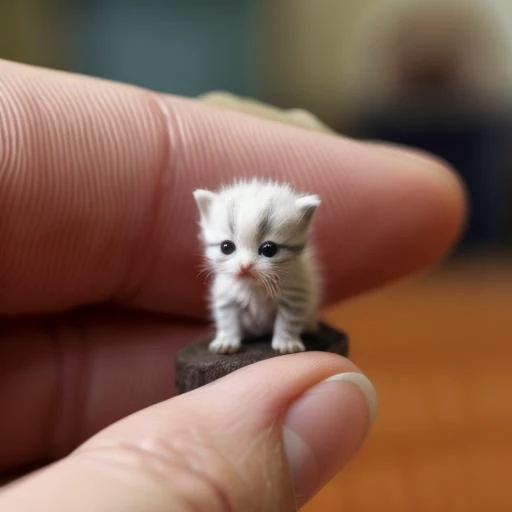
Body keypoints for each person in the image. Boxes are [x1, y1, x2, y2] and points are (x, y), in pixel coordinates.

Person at [0, 58, 465, 511]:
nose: (242, 266)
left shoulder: (295, 262)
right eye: (226, 250)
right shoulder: (226, 257)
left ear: (301, 230)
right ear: (206, 229)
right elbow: (227, 307)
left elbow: (298, 306)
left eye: (265, 252)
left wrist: (287, 335)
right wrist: (228, 336)